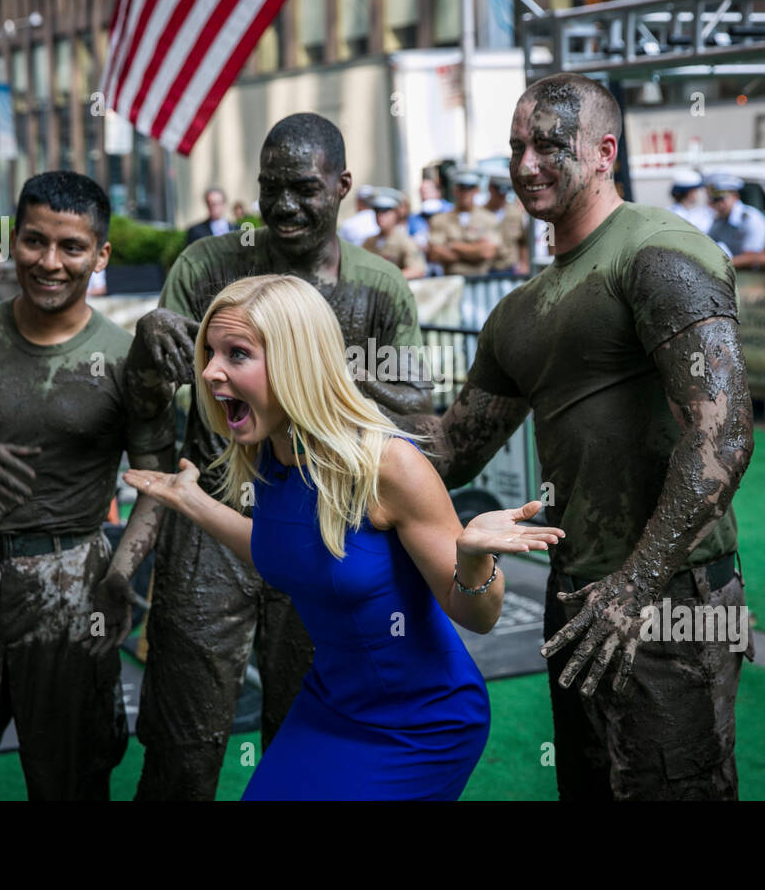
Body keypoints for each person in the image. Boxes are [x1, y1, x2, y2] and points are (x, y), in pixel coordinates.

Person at [423, 73, 755, 800]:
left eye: (549, 144)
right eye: (516, 146)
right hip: (576, 597)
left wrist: (634, 587)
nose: (527, 163)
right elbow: (450, 450)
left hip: (670, 597)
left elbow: (724, 439)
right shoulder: (520, 310)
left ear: (605, 152)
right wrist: (326, 418)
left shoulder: (661, 253)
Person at [125, 274, 562, 798]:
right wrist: (191, 500)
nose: (211, 371)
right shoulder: (269, 453)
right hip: (330, 703)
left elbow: (480, 615)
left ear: (296, 362)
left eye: (236, 354)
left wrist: (473, 558)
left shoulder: (387, 464)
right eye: (210, 352)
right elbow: (282, 551)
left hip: (422, 723)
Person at [125, 112, 432, 800]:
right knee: (184, 734)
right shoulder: (207, 263)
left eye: (304, 187)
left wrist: (319, 369)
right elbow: (149, 396)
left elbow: (417, 409)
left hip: (324, 522)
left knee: (305, 725)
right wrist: (151, 344)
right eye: (271, 188)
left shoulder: (378, 284)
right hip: (212, 514)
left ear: (344, 185)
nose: (285, 206)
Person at [0, 171, 173, 800]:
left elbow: (157, 484)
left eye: (71, 247)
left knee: (70, 780)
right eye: (33, 242)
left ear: (101, 255)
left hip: (75, 583)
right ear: (12, 241)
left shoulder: (128, 359)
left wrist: (122, 574)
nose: (49, 262)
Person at [427, 172, 500, 277]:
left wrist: (453, 246)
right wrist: (475, 251)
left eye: (470, 188)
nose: (465, 193)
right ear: (455, 190)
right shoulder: (440, 220)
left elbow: (487, 252)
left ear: (477, 191)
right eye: (461, 188)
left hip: (481, 279)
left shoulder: (489, 219)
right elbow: (435, 254)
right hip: (452, 279)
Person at [706, 174, 765, 268]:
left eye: (722, 199)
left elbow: (753, 257)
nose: (719, 205)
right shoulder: (719, 222)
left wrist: (721, 264)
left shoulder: (750, 219)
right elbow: (708, 247)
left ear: (735, 196)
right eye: (715, 200)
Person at [363, 190, 426, 279]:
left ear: (396, 214)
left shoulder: (405, 241)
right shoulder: (369, 241)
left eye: (385, 211)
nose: (380, 216)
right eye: (377, 211)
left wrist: (389, 278)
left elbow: (418, 270)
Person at [484, 175, 530, 275]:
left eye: (504, 192)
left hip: (510, 269)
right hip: (484, 270)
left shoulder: (515, 213)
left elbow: (523, 241)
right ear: (490, 188)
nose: (501, 196)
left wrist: (524, 263)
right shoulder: (479, 213)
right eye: (498, 191)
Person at [667, 170, 715, 234]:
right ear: (689, 193)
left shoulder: (698, 211)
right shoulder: (673, 214)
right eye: (695, 191)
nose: (697, 194)